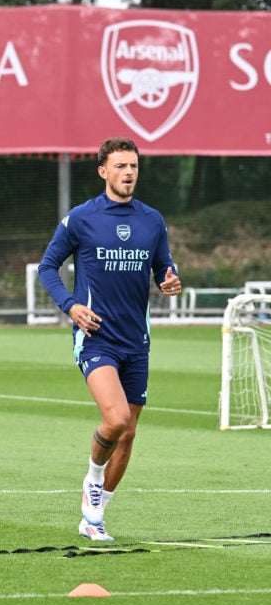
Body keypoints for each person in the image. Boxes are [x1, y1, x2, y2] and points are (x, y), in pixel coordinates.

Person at [37, 136, 181, 542]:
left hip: (137, 340)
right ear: (103, 171)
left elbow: (164, 267)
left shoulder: (152, 220)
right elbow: (48, 267)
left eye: (133, 165)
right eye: (120, 166)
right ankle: (93, 479)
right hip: (96, 337)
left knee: (129, 431)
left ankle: (94, 517)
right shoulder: (81, 218)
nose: (129, 172)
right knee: (115, 419)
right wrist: (70, 305)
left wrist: (169, 281)